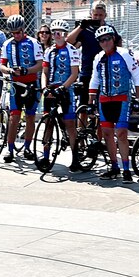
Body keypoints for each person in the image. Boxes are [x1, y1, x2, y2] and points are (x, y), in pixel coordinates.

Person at [88, 24, 139, 181]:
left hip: (122, 98)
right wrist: (90, 101)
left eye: (108, 39)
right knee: (107, 134)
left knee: (122, 133)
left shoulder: (124, 54)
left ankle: (126, 169)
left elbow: (137, 76)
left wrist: (137, 99)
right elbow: (95, 79)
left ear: (113, 39)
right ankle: (114, 167)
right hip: (104, 99)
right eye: (101, 40)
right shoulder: (98, 57)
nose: (105, 43)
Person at [0, 14, 42, 158]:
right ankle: (9, 149)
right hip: (15, 84)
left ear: (24, 29)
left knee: (30, 117)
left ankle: (27, 147)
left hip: (31, 84)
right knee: (14, 118)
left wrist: (27, 70)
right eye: (13, 33)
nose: (16, 35)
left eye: (18, 32)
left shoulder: (33, 42)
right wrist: (9, 70)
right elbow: (2, 65)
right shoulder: (7, 44)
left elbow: (39, 64)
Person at [44, 18, 82, 171]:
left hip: (66, 90)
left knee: (70, 124)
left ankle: (75, 158)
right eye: (54, 33)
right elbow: (45, 72)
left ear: (66, 34)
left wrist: (64, 87)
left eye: (60, 33)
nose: (57, 35)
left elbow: (74, 73)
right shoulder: (49, 51)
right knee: (48, 123)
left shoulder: (72, 50)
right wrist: (44, 87)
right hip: (51, 89)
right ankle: (45, 156)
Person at [67, 0, 109, 92]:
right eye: (95, 15)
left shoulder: (109, 30)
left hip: (105, 70)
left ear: (105, 15)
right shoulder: (85, 29)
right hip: (87, 70)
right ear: (91, 14)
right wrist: (81, 27)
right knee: (84, 102)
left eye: (100, 15)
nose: (98, 18)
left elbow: (118, 46)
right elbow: (69, 42)